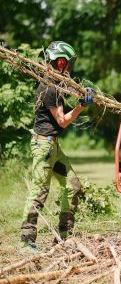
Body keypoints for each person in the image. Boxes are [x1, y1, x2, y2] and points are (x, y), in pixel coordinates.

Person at [20, 41, 94, 251]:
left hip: (53, 146)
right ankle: (26, 240)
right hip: (44, 148)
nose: (69, 68)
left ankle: (65, 235)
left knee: (73, 186)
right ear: (60, 62)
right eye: (67, 63)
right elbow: (62, 121)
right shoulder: (48, 87)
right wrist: (81, 106)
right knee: (39, 192)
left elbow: (71, 89)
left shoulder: (56, 83)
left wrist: (84, 93)